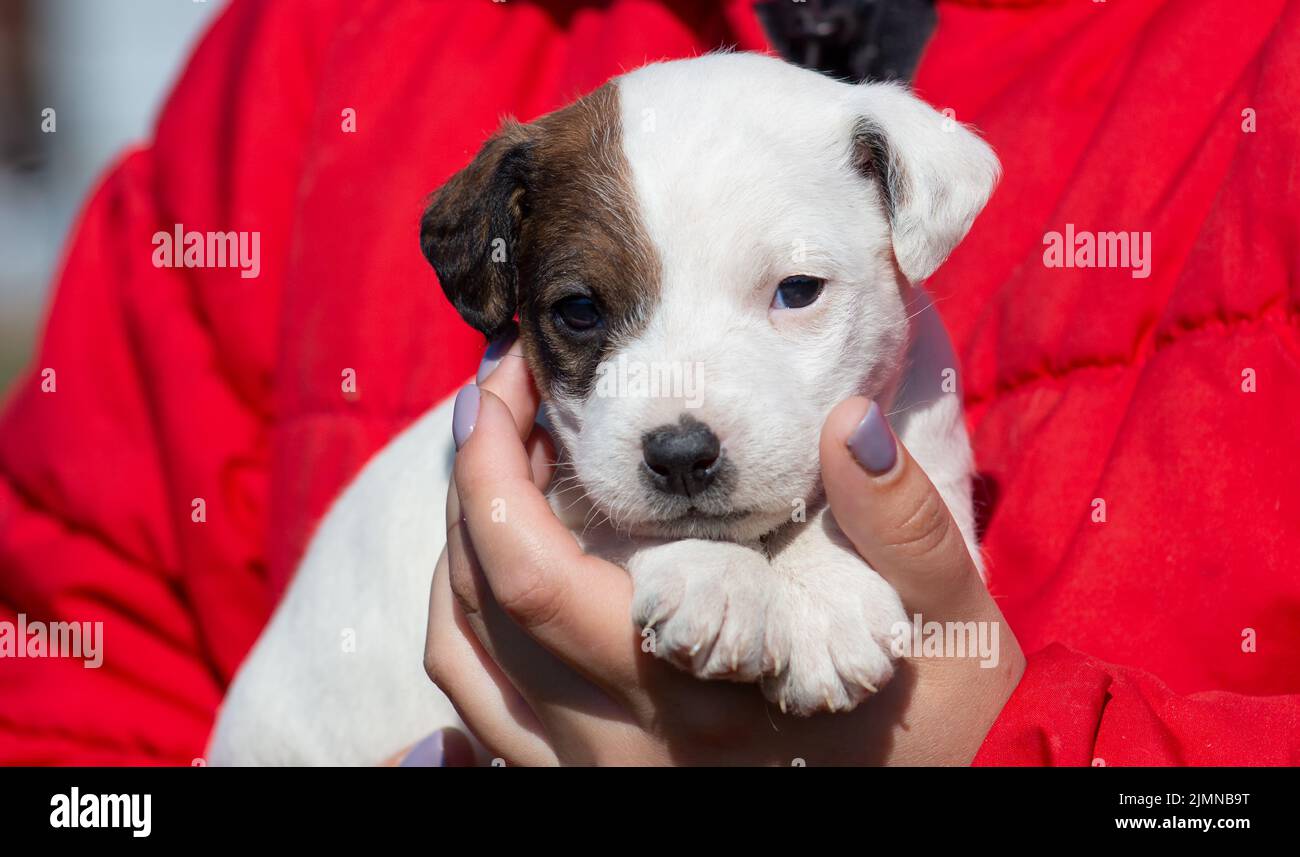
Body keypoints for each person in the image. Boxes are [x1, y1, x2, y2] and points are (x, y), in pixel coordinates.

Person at [2, 0, 1298, 766]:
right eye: (583, 315)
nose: (679, 422)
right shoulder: (320, 47)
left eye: (790, 296)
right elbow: (65, 685)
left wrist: (1009, 750)